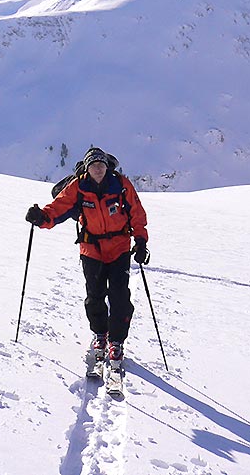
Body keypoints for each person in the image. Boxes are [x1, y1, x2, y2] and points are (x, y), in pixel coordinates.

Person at [25, 147, 149, 370]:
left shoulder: (120, 184)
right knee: (95, 296)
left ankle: (117, 341)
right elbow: (58, 208)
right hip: (91, 250)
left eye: (101, 165)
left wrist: (141, 242)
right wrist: (41, 217)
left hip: (120, 248)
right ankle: (100, 335)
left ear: (107, 166)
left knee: (120, 297)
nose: (98, 169)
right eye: (94, 166)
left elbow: (137, 214)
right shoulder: (78, 187)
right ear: (87, 168)